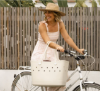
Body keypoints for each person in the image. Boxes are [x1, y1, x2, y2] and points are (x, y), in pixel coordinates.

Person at [31, 3, 84, 91]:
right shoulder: (42, 26)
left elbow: (67, 38)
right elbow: (47, 41)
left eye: (49, 12)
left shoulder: (60, 24)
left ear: (55, 14)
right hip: (41, 54)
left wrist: (78, 49)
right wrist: (57, 46)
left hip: (52, 54)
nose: (47, 14)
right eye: (46, 12)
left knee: (59, 81)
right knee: (53, 80)